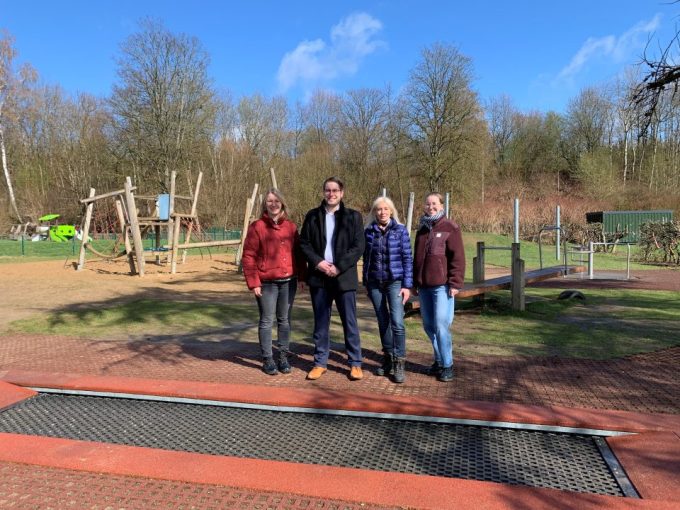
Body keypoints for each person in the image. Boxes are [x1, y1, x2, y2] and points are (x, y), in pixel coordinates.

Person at [300, 176, 365, 381]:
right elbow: (304, 244)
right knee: (321, 323)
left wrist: (338, 266)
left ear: (341, 193)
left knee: (350, 322)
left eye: (335, 190)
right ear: (323, 192)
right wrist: (318, 262)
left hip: (344, 277)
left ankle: (355, 363)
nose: (331, 194)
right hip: (319, 278)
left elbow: (358, 246)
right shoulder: (312, 216)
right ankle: (320, 363)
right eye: (328, 190)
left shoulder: (353, 217)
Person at [242, 188, 305, 375]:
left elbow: (299, 254)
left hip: (288, 281)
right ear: (265, 204)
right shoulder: (257, 227)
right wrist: (254, 282)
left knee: (284, 320)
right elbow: (249, 256)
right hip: (267, 282)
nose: (273, 204)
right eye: (270, 201)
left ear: (282, 203)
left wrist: (302, 277)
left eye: (277, 201)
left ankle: (283, 356)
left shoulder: (291, 227)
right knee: (267, 320)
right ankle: (268, 358)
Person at [413, 192, 465, 382]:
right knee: (429, 326)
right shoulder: (422, 230)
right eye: (427, 204)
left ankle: (447, 365)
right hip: (424, 287)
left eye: (434, 203)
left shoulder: (450, 227)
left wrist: (455, 282)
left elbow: (458, 258)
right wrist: (414, 282)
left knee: (441, 325)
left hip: (442, 287)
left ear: (441, 206)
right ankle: (439, 360)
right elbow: (416, 259)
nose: (431, 207)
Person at [362, 196, 413, 384]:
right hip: (375, 283)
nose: (382, 212)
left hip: (395, 282)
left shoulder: (400, 231)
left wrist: (407, 285)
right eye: (378, 209)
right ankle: (388, 357)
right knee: (382, 321)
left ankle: (399, 361)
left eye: (385, 209)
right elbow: (366, 259)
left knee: (397, 322)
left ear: (391, 211)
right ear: (374, 212)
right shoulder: (369, 232)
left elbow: (407, 259)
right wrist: (366, 282)